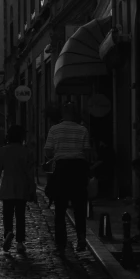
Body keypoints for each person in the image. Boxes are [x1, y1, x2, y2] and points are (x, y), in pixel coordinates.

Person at [44, 99, 92, 254]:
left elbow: (48, 152)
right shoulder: (82, 130)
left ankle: (61, 244)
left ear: (63, 115)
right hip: (78, 170)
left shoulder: (54, 129)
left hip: (62, 170)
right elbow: (87, 152)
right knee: (79, 208)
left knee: (60, 209)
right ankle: (81, 238)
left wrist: (58, 152)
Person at [0, 124, 36, 255]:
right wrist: (32, 188)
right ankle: (20, 242)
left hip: (7, 188)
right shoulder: (26, 151)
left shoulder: (3, 151)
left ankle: (8, 233)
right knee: (20, 215)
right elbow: (29, 173)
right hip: (22, 189)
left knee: (7, 214)